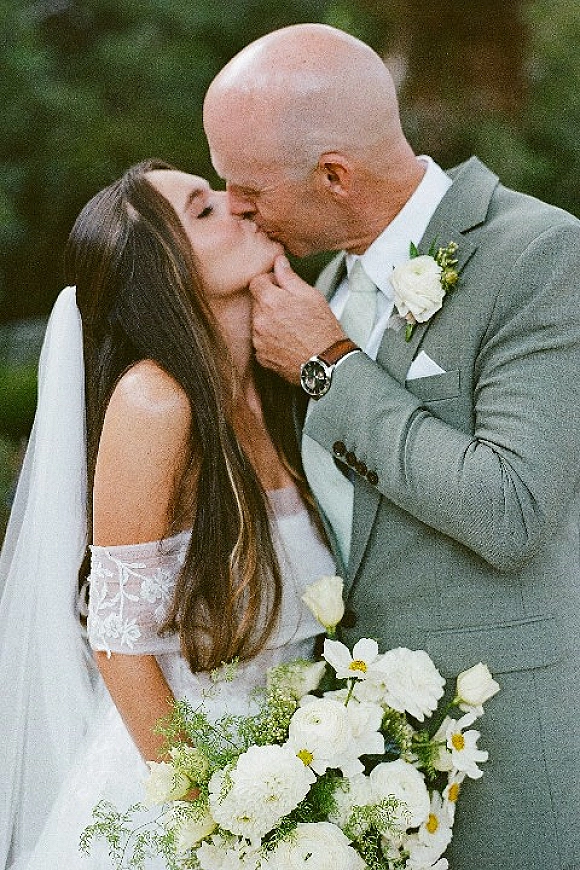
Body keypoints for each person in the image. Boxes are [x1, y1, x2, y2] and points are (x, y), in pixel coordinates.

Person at [203, 23, 580, 870]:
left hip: (512, 754)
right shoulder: (323, 285)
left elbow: (511, 508)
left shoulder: (540, 253)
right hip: (361, 773)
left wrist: (331, 367)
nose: (234, 206)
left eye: (245, 185)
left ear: (334, 176)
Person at [0, 159, 335, 869]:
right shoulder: (157, 403)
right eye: (204, 210)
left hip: (305, 789)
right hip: (181, 808)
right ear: (165, 274)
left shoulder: (284, 396)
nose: (239, 203)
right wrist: (220, 828)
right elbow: (120, 649)